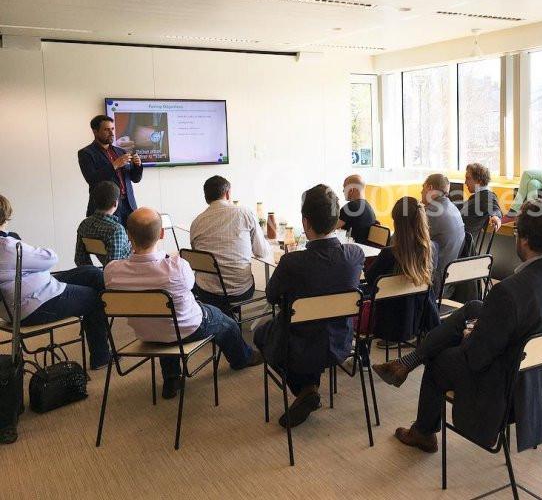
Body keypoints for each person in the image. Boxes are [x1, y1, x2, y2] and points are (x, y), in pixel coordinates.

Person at [372, 199, 542, 453]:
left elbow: (476, 358)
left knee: (439, 359)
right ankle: (408, 362)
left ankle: (423, 432)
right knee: (474, 307)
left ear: (524, 240)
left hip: (510, 386)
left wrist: (471, 334)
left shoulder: (510, 291)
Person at [104, 208, 262, 399]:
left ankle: (172, 378)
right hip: (188, 329)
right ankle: (242, 359)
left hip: (146, 333)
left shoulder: (112, 272)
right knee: (225, 321)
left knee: (164, 319)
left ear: (129, 235)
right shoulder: (176, 267)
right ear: (162, 234)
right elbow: (190, 286)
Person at [253, 185, 364, 428]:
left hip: (299, 345)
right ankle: (309, 387)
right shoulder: (355, 254)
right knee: (312, 328)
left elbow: (271, 296)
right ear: (336, 220)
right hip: (340, 342)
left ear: (305, 222)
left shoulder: (292, 262)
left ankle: (306, 388)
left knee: (260, 334)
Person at [0, 195, 110, 370]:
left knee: (91, 272)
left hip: (23, 297)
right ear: (5, 217)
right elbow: (50, 258)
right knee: (95, 298)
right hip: (32, 304)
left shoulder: (8, 245)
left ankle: (113, 316)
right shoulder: (8, 246)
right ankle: (102, 357)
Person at [189, 176, 274, 318]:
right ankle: (229, 319)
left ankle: (221, 317)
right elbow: (261, 252)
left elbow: (197, 257)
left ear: (206, 198)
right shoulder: (244, 213)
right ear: (228, 194)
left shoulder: (196, 222)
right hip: (239, 291)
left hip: (206, 292)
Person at [364, 197, 440, 344]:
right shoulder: (432, 249)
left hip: (389, 322)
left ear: (397, 224)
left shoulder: (388, 254)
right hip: (420, 318)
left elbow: (370, 279)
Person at [78, 115, 143, 226]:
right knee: (110, 237)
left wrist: (138, 165)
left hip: (128, 205)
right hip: (105, 208)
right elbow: (92, 180)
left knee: (131, 237)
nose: (112, 133)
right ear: (95, 132)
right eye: (106, 130)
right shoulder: (86, 153)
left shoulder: (121, 151)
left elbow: (135, 179)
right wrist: (115, 165)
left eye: (112, 129)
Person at [75, 181, 131, 266]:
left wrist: (93, 272)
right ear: (115, 203)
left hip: (105, 272)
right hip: (126, 270)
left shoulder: (84, 225)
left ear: (94, 201)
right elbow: (113, 267)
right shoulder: (116, 230)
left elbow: (79, 259)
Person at [422, 174, 465, 286]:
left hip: (432, 283)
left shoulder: (429, 213)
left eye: (423, 187)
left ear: (430, 188)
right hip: (450, 280)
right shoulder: (454, 209)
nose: (421, 192)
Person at [460, 163, 503, 248]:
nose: (465, 182)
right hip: (459, 243)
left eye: (468, 178)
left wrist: (495, 216)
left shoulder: (487, 196)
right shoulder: (478, 196)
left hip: (462, 248)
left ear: (479, 180)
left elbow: (495, 209)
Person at [336, 174, 377, 244]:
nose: (343, 191)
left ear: (351, 190)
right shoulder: (369, 207)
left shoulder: (350, 207)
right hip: (367, 248)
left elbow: (330, 228)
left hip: (354, 247)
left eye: (344, 188)